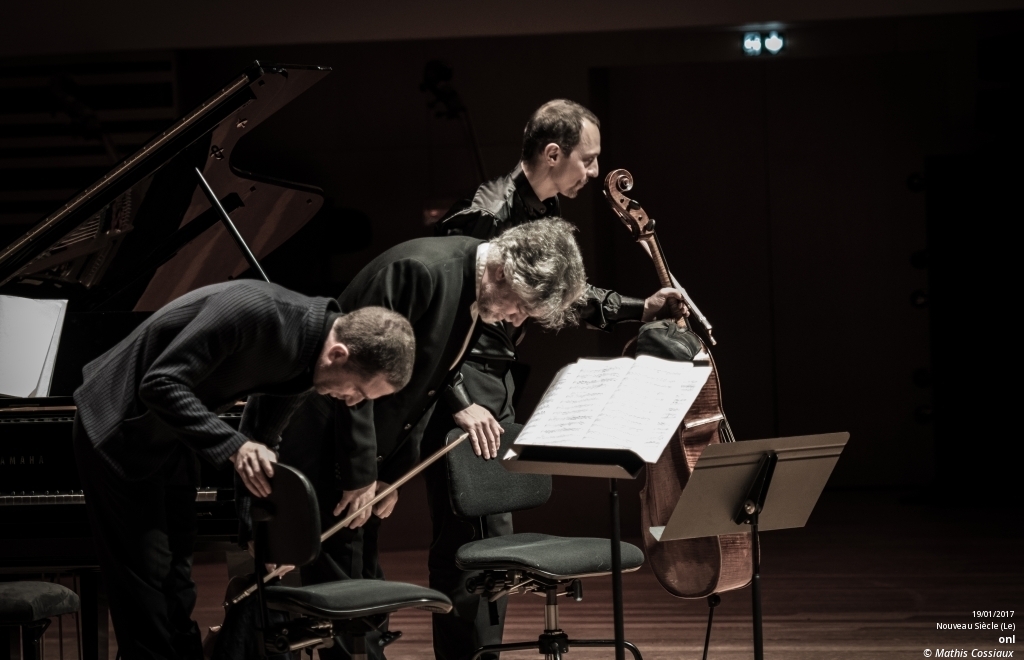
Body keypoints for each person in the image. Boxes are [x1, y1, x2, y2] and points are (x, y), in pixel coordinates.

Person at [429, 98, 682, 660]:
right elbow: (441, 319)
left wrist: (640, 308)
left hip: (495, 382)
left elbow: (572, 295)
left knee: (492, 535)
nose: (594, 173)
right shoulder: (489, 215)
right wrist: (457, 398)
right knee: (472, 540)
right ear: (553, 153)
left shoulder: (539, 216)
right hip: (465, 383)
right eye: (587, 161)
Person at [72, 279, 415, 660]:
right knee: (146, 592)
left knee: (178, 582)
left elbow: (263, 437)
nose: (352, 402)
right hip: (118, 426)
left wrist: (263, 534)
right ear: (338, 353)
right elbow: (158, 383)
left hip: (175, 435)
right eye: (359, 392)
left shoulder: (308, 366)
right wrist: (235, 447)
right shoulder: (254, 310)